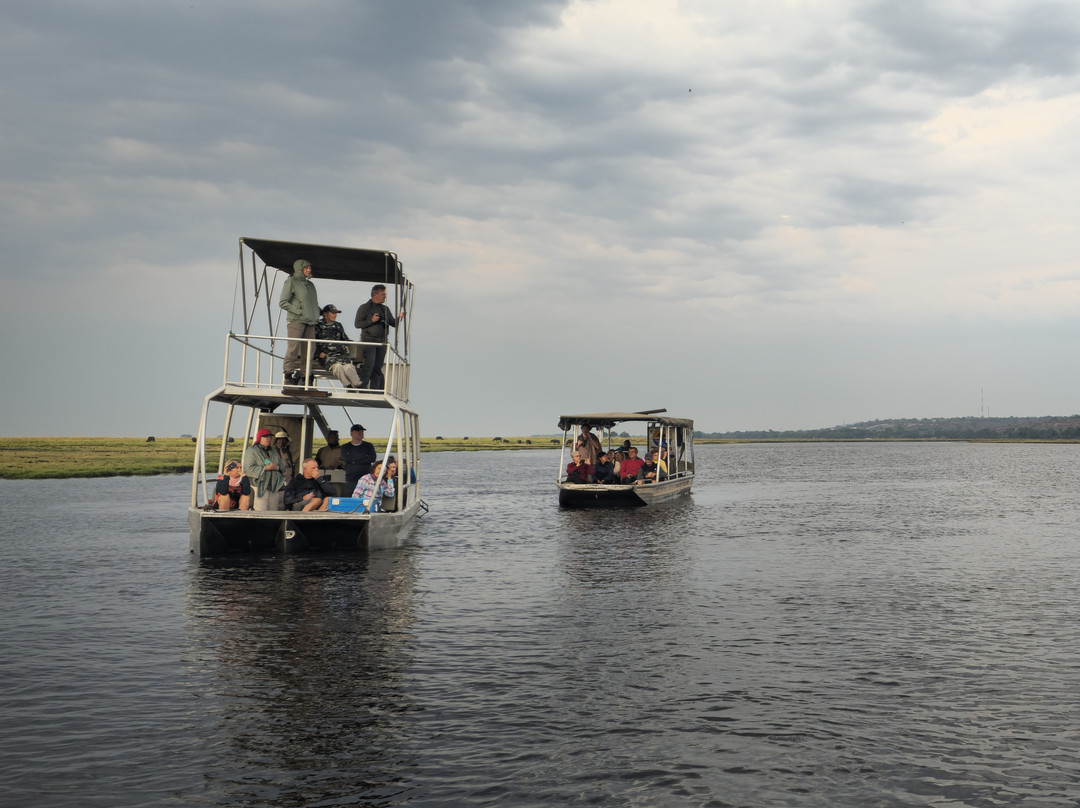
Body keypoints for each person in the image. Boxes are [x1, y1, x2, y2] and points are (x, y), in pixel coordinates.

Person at [354, 283, 405, 390]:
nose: (385, 296)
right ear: (375, 295)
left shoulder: (385, 309)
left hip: (382, 342)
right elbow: (357, 324)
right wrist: (371, 320)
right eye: (383, 294)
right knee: (369, 366)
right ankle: (362, 388)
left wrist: (399, 317)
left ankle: (376, 390)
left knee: (377, 367)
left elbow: (393, 323)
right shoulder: (364, 308)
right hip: (369, 341)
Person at [279, 258, 320, 387]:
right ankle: (288, 376)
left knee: (309, 351)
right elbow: (283, 302)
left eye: (310, 268)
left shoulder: (310, 285)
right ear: (299, 269)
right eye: (306, 268)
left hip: (311, 322)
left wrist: (317, 313)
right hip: (296, 321)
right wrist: (299, 311)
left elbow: (313, 304)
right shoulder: (291, 281)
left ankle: (305, 377)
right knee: (293, 349)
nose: (309, 270)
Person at [314, 304, 364, 390]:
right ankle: (347, 385)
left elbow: (344, 339)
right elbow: (313, 342)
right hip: (327, 355)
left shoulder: (338, 325)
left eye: (335, 313)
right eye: (332, 313)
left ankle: (358, 385)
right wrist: (319, 353)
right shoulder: (318, 325)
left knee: (349, 367)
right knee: (338, 367)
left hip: (341, 354)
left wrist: (351, 344)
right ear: (325, 314)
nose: (335, 315)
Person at [242, 428, 285, 510]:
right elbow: (247, 469)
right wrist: (265, 468)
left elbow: (282, 468)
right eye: (265, 437)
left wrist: (278, 467)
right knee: (261, 514)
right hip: (259, 488)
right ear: (259, 438)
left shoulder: (274, 451)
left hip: (274, 488)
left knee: (274, 515)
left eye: (270, 437)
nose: (268, 439)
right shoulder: (251, 451)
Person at [340, 423, 376, 495]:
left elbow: (372, 458)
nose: (360, 433)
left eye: (362, 432)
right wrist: (364, 457)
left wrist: (354, 461)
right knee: (348, 499)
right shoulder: (345, 447)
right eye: (358, 431)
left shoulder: (368, 445)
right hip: (351, 480)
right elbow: (346, 459)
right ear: (351, 433)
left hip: (366, 479)